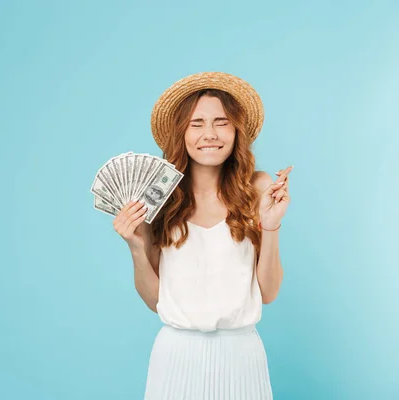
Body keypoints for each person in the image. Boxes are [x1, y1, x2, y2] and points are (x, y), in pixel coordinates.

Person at [112, 72, 293, 399]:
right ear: (181, 134)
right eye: (196, 124)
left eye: (221, 122)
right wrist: (137, 247)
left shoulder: (258, 188)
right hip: (175, 359)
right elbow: (156, 302)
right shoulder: (157, 199)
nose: (209, 134)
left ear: (237, 131)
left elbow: (268, 293)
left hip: (242, 359)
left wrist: (270, 225)